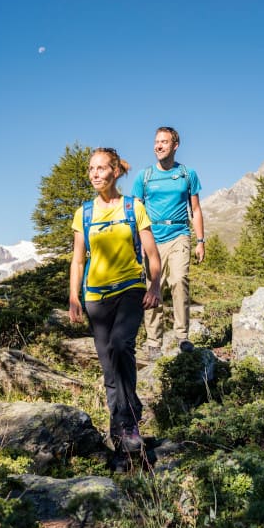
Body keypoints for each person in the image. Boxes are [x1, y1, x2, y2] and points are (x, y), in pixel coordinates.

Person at [69, 147, 162, 469]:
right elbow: (78, 258)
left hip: (130, 290)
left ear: (115, 172)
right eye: (91, 169)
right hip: (95, 296)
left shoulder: (133, 207)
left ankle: (129, 421)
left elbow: (151, 252)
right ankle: (121, 434)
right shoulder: (84, 213)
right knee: (109, 366)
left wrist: (155, 286)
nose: (95, 174)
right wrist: (73, 296)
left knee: (122, 346)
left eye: (101, 168)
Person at [131, 126, 205, 359]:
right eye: (156, 141)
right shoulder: (144, 177)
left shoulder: (186, 174)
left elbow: (195, 209)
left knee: (179, 279)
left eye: (164, 141)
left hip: (179, 233)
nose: (158, 145)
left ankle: (182, 336)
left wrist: (200, 240)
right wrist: (136, 243)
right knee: (154, 287)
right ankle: (154, 342)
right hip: (152, 238)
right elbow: (135, 211)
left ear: (175, 145)